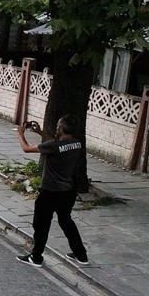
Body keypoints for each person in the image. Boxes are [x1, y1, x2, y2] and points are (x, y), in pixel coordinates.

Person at [16, 114, 89, 266]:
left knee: (41, 225)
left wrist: (20, 134)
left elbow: (26, 149)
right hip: (68, 191)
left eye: (57, 127)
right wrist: (40, 133)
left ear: (61, 129)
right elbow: (57, 144)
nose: (56, 129)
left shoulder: (54, 147)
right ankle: (80, 254)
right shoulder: (77, 143)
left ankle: (36, 257)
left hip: (49, 191)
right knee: (66, 221)